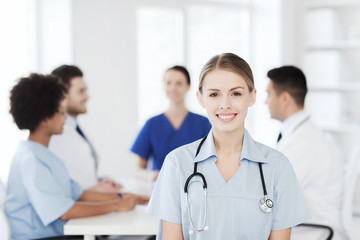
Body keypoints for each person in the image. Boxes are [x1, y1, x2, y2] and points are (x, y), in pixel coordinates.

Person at [146, 53, 310, 240]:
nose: (225, 104)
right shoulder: (176, 163)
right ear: (201, 98)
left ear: (252, 96)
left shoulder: (278, 167)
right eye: (214, 94)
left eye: (236, 93)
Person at [4, 73, 149, 240]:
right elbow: (64, 212)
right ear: (44, 119)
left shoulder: (44, 154)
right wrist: (116, 205)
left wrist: (128, 197)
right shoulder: (32, 160)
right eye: (60, 112)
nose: (64, 118)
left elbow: (80, 193)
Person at [265, 66, 344, 240]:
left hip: (313, 232)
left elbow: (275, 193)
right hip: (305, 227)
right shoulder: (300, 134)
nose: (266, 101)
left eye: (269, 94)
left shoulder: (304, 142)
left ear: (285, 98)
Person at [49, 65, 122, 192]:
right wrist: (94, 189)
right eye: (81, 91)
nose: (87, 96)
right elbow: (62, 184)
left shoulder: (76, 129)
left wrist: (99, 180)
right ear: (62, 95)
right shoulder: (55, 135)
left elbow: (79, 173)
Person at [131, 66, 211, 181]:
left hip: (194, 188)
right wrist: (152, 175)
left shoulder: (203, 123)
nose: (173, 88)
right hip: (161, 188)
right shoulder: (152, 124)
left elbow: (214, 162)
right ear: (164, 86)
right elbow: (137, 169)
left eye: (179, 83)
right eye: (168, 83)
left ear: (188, 86)